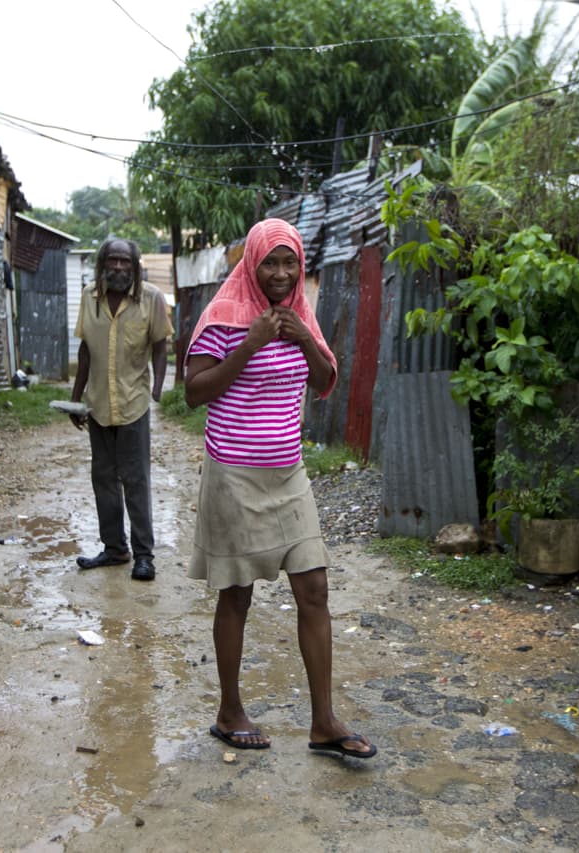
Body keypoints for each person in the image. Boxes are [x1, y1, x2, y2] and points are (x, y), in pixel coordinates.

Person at [183, 218, 376, 759]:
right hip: (233, 476)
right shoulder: (223, 316)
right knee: (237, 594)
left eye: (290, 262)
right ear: (252, 263)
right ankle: (229, 711)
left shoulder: (299, 313)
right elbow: (194, 393)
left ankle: (324, 722)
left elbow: (324, 379)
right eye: (270, 262)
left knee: (314, 589)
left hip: (289, 475)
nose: (281, 273)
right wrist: (250, 345)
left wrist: (303, 338)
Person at [68, 238, 171, 582]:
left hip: (133, 403)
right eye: (112, 260)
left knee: (135, 481)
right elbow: (86, 350)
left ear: (134, 266)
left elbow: (160, 346)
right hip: (98, 404)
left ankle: (144, 556)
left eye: (125, 261)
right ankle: (114, 549)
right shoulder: (89, 297)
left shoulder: (151, 298)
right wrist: (76, 398)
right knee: (103, 480)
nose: (118, 267)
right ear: (102, 264)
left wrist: (157, 386)